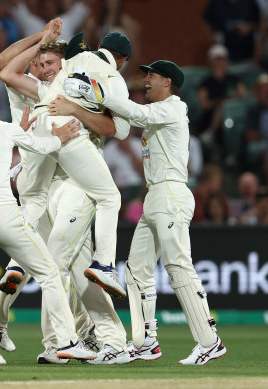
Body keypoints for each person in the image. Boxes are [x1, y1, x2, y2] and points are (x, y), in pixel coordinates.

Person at [65, 59, 227, 365]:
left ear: (168, 82)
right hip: (155, 198)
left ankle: (209, 341)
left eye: (151, 75)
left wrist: (98, 92)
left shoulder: (174, 108)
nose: (146, 80)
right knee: (136, 271)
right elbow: (132, 120)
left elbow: (137, 113)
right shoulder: (156, 115)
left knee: (178, 266)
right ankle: (144, 341)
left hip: (171, 194)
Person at [0, 26, 131, 364]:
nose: (46, 68)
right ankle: (68, 340)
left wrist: (75, 110)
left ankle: (96, 340)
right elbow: (5, 65)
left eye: (51, 61)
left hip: (75, 183)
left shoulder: (83, 85)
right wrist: (41, 38)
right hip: (41, 187)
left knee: (57, 263)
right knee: (56, 266)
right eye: (40, 63)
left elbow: (114, 128)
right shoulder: (37, 88)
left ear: (65, 61)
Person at [0, 84, 96, 365]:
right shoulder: (5, 129)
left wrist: (17, 130)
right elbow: (41, 147)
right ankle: (67, 342)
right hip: (2, 214)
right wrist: (59, 137)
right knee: (50, 274)